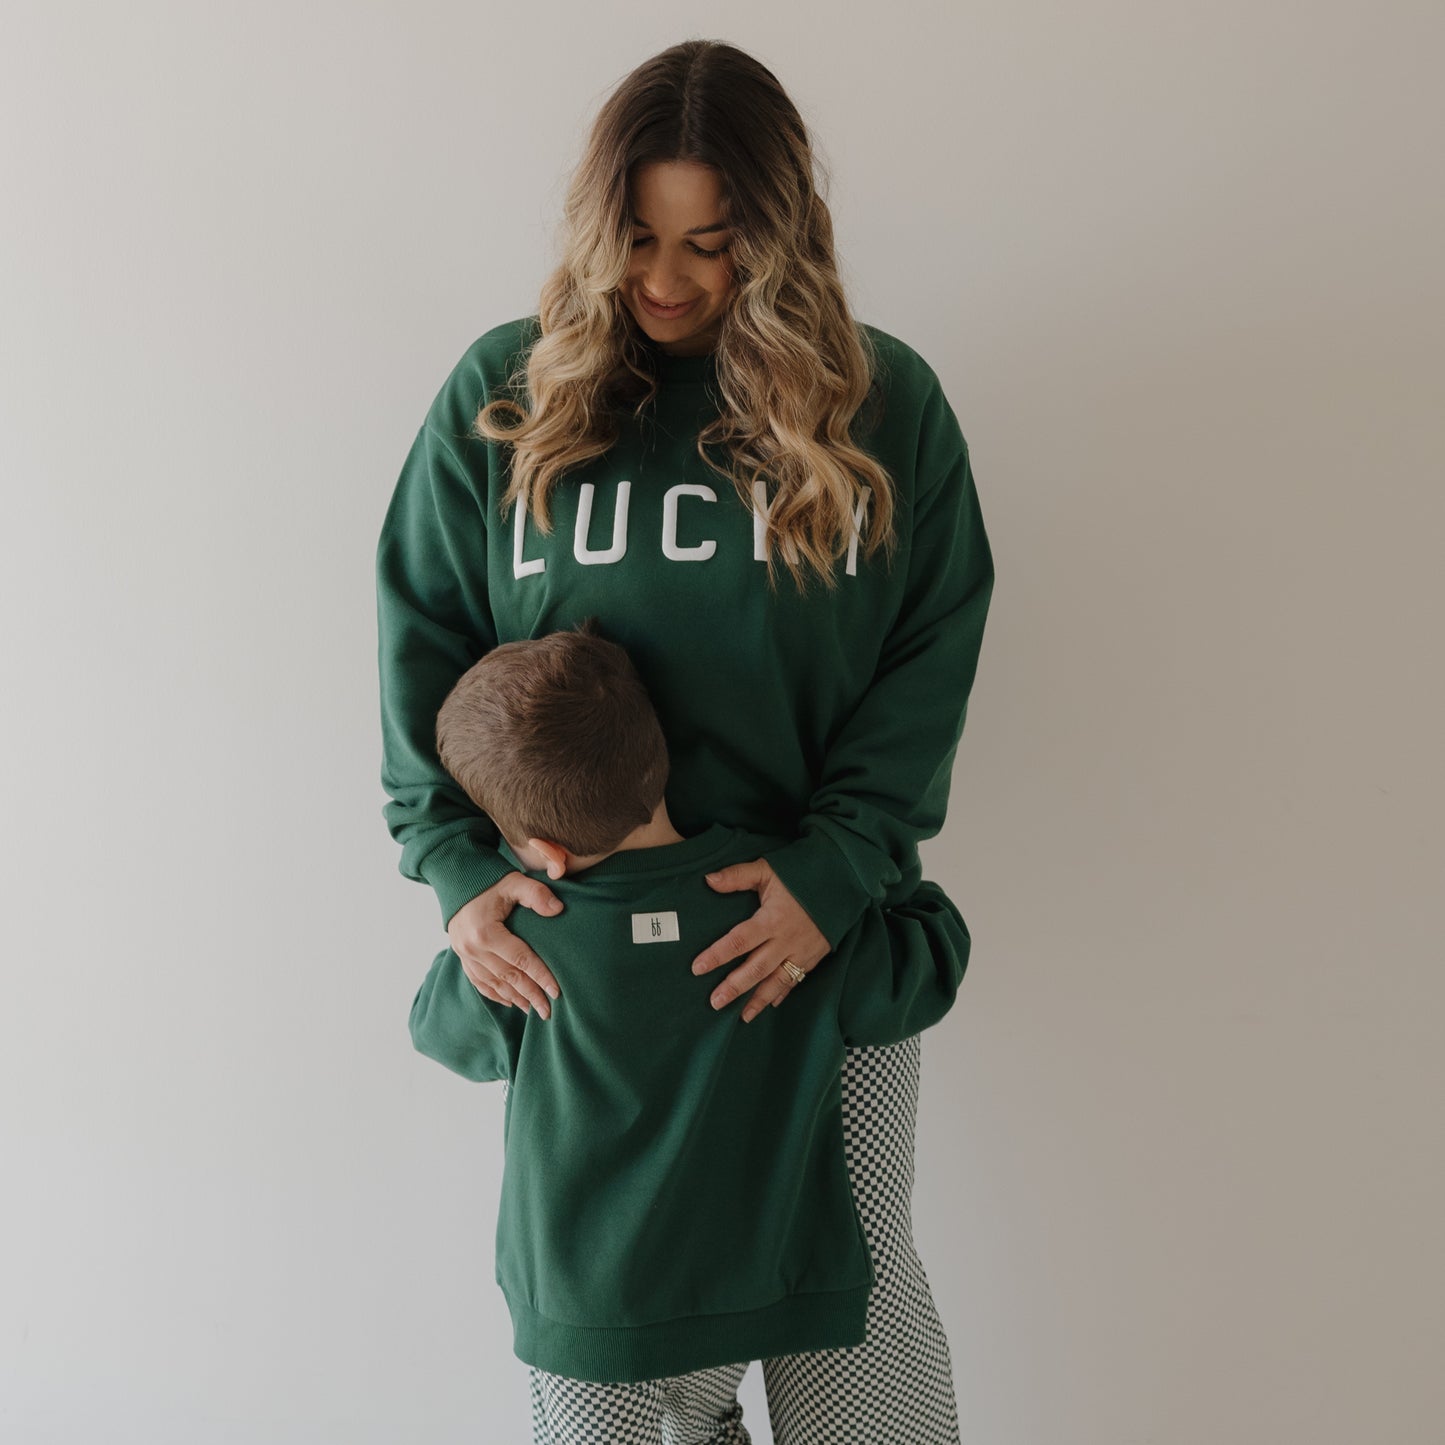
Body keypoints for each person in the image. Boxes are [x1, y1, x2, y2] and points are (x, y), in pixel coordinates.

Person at [375, 37, 994, 1445]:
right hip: (592, 976)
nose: (663, 279)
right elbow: (421, 639)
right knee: (622, 1363)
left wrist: (838, 867)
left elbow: (927, 653)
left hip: (810, 948)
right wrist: (457, 871)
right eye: (639, 239)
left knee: (852, 1334)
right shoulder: (509, 394)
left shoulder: (885, 405)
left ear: (775, 237)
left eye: (709, 244)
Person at [407, 619, 970, 1433]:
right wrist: (908, 902)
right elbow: (925, 969)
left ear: (542, 851)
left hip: (588, 1321)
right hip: (758, 1284)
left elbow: (437, 1028)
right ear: (660, 763)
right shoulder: (783, 920)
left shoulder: (526, 947)